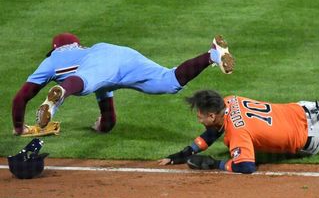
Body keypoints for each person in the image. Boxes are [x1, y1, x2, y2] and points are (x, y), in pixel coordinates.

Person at [12, 33, 234, 135]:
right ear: (77, 44)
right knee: (169, 80)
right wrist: (100, 125)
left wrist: (19, 127)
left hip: (99, 65)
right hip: (120, 53)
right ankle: (211, 55)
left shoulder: (51, 60)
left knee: (86, 81)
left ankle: (59, 95)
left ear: (54, 48)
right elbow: (109, 120)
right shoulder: (85, 52)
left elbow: (21, 97)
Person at [158, 90, 319, 174]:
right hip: (304, 115)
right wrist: (184, 153)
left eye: (200, 114)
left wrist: (214, 164)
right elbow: (213, 133)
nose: (198, 117)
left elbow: (246, 167)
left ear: (211, 115)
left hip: (309, 137)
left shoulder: (238, 133)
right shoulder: (229, 101)